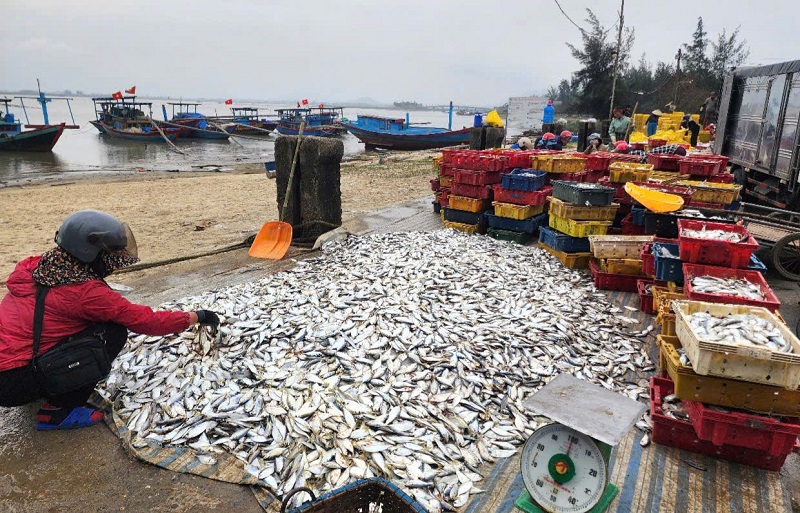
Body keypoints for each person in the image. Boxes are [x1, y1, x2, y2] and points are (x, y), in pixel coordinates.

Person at [0, 210, 221, 430]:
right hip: (11, 383)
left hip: (9, 370)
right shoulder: (86, 292)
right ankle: (58, 411)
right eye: (108, 256)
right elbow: (147, 321)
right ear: (89, 253)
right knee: (113, 333)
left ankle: (46, 382)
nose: (112, 263)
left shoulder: (38, 266)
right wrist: (196, 316)